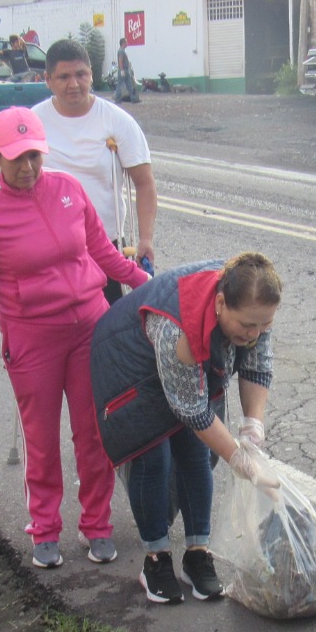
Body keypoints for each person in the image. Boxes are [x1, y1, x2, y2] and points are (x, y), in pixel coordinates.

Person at [0, 107, 149, 570]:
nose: (28, 168)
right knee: (41, 441)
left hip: (89, 331)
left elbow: (102, 254)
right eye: (17, 158)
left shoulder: (69, 190)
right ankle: (44, 529)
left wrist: (148, 282)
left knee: (94, 433)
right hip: (32, 340)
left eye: (35, 156)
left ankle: (96, 524)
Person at [90, 252, 282, 605]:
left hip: (182, 365)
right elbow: (192, 410)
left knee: (196, 453)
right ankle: (156, 558)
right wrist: (241, 461)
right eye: (248, 326)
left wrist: (252, 426)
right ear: (221, 304)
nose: (255, 334)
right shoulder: (177, 324)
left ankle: (197, 553)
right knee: (152, 458)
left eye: (263, 326)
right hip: (128, 363)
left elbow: (257, 368)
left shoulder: (254, 308)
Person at [33, 39, 157, 304]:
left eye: (81, 74)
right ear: (47, 80)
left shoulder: (116, 121)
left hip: (105, 245)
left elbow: (144, 183)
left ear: (91, 74)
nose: (74, 84)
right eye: (63, 77)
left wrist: (145, 238)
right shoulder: (35, 122)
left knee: (108, 324)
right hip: (50, 246)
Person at [114, 38, 139, 103]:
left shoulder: (122, 51)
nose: (127, 43)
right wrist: (122, 70)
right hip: (123, 70)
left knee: (129, 85)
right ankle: (117, 99)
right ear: (123, 43)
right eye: (126, 42)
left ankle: (133, 99)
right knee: (120, 85)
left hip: (126, 70)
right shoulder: (121, 51)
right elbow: (120, 60)